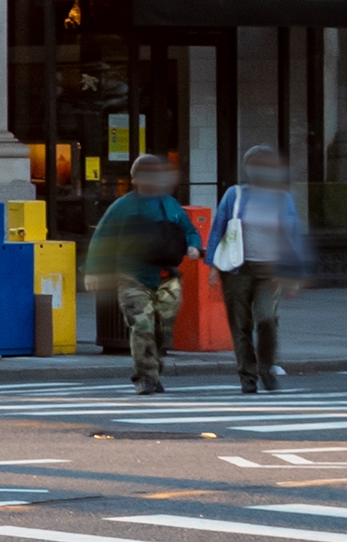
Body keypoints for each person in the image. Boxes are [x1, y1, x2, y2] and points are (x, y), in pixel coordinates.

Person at [204, 145, 313, 395]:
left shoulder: (282, 198)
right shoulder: (235, 195)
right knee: (240, 325)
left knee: (267, 320)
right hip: (236, 270)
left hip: (270, 273)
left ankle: (265, 368)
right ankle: (247, 376)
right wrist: (211, 264)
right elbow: (218, 227)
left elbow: (292, 234)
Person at [85, 155, 195, 394]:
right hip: (133, 277)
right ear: (135, 178)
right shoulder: (122, 206)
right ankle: (145, 377)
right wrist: (92, 271)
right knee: (142, 325)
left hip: (167, 277)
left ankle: (153, 368)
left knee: (162, 326)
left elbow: (189, 230)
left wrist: (195, 245)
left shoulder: (171, 205)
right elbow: (102, 237)